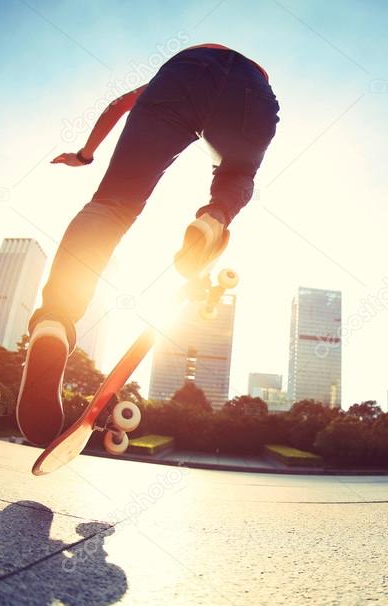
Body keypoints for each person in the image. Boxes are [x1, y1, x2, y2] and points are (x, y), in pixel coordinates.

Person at [16, 44, 279, 446]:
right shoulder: (252, 78)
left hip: (182, 74)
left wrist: (85, 154)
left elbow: (120, 104)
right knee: (238, 172)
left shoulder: (178, 71)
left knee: (112, 204)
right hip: (253, 96)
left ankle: (56, 317)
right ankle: (213, 219)